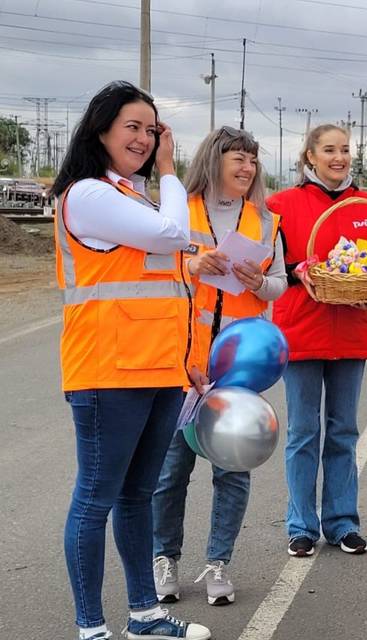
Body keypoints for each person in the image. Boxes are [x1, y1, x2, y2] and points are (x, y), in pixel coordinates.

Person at [51, 81, 210, 640]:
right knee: (96, 499)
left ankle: (144, 614)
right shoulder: (88, 195)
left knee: (136, 496)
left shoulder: (134, 197)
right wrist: (170, 168)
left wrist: (188, 358)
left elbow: (172, 281)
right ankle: (91, 628)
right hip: (107, 371)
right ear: (101, 132)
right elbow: (174, 233)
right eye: (133, 128)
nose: (144, 139)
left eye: (152, 129)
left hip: (159, 369)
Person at [150, 126, 286, 607]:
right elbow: (147, 266)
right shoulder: (176, 213)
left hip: (238, 370)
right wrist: (190, 265)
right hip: (181, 363)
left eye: (252, 160)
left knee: (232, 469)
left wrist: (259, 281)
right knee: (170, 472)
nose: (247, 167)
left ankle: (218, 563)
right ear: (213, 160)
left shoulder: (266, 220)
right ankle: (163, 558)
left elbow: (279, 285)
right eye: (238, 158)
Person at [267, 124, 367, 558]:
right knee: (303, 432)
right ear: (310, 156)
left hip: (351, 333)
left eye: (345, 150)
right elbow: (274, 269)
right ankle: (301, 525)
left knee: (343, 432)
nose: (339, 158)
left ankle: (342, 522)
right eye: (329, 150)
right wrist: (302, 269)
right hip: (300, 330)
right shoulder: (280, 205)